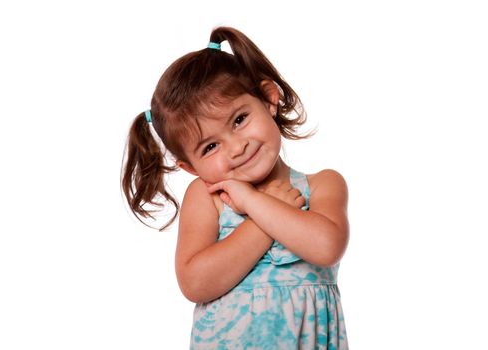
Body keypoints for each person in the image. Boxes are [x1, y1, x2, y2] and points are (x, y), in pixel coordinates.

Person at [121, 26, 349, 349]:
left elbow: (326, 246)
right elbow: (194, 282)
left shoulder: (323, 184)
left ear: (269, 99)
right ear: (190, 168)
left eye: (239, 120)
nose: (236, 147)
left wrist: (253, 201)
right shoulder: (208, 197)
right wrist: (260, 220)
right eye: (210, 147)